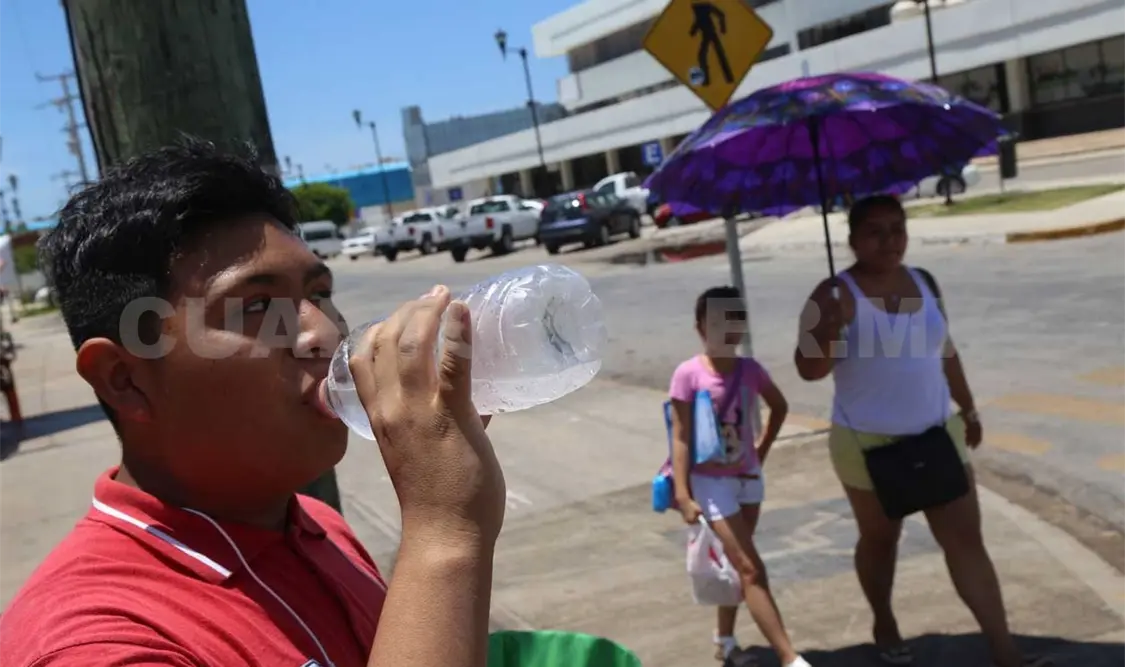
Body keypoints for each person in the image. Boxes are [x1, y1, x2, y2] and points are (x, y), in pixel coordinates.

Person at [0, 139, 506, 667]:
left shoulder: (316, 525)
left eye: (319, 294)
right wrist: (444, 535)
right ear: (124, 379)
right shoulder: (93, 642)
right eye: (258, 305)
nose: (323, 333)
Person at [792, 194, 1050, 667]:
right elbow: (808, 370)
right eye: (875, 231)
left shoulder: (924, 282)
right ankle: (884, 620)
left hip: (936, 434)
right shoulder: (831, 295)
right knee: (880, 541)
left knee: (966, 543)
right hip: (866, 445)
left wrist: (968, 407)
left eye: (898, 228)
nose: (890, 240)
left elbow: (945, 350)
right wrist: (826, 330)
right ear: (852, 240)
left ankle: (1005, 650)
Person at [669, 286, 812, 667]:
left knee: (736, 566)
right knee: (750, 568)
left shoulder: (751, 371)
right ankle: (789, 657)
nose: (726, 328)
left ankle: (725, 640)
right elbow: (680, 436)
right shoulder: (688, 375)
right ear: (700, 327)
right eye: (717, 320)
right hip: (710, 483)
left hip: (747, 480)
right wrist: (683, 493)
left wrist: (760, 451)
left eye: (734, 319)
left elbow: (779, 407)